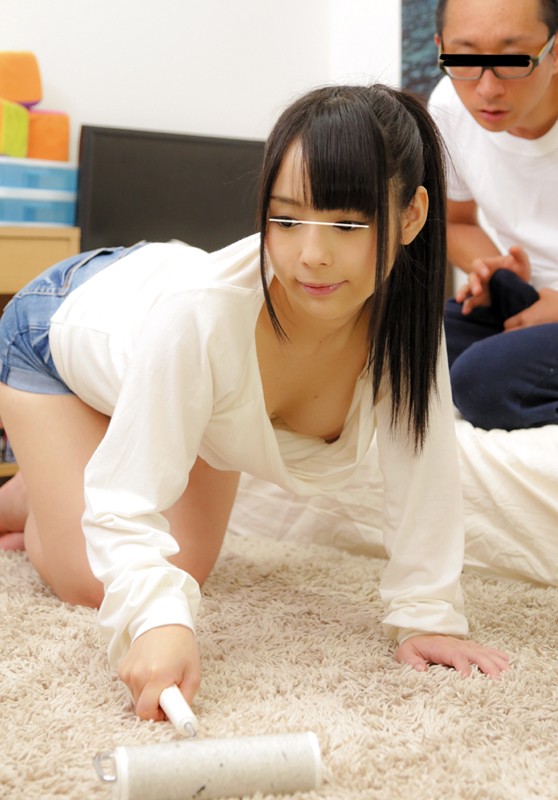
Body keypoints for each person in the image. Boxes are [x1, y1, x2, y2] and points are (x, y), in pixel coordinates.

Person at [0, 84, 509, 723]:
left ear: (411, 216)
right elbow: (124, 503)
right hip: (57, 326)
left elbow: (423, 466)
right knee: (98, 584)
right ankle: (29, 490)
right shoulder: (203, 316)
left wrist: (428, 615)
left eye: (347, 225)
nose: (312, 255)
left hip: (164, 328)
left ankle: (57, 474)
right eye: (286, 220)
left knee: (187, 566)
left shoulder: (404, 322)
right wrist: (155, 622)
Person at [428, 0, 558, 431]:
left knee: (481, 382)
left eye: (513, 61)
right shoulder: (448, 106)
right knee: (404, 346)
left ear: (555, 51)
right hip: (527, 297)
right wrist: (493, 267)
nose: (486, 89)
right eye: (464, 59)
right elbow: (456, 221)